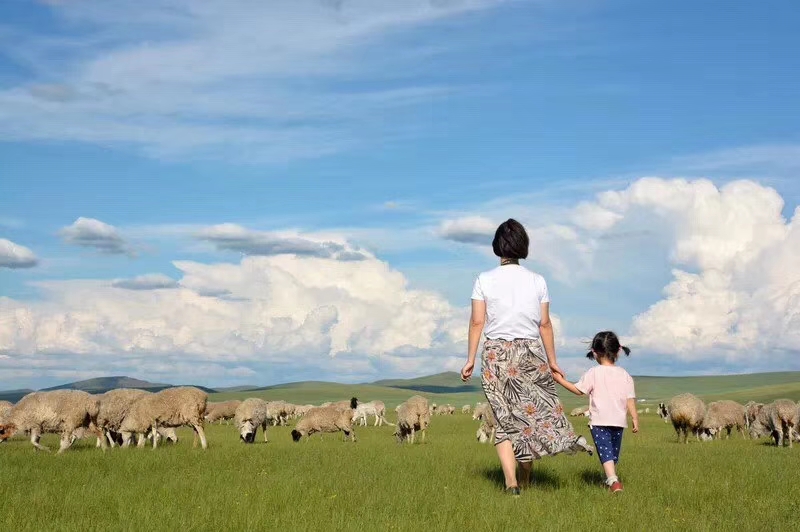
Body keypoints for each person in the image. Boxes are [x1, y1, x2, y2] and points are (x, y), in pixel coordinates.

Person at [460, 218, 592, 497]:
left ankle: (511, 484)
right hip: (531, 353)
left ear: (497, 247)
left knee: (504, 418)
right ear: (523, 246)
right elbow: (544, 324)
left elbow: (476, 322)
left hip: (496, 355)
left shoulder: (484, 279)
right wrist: (553, 360)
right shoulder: (537, 280)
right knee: (531, 416)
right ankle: (527, 477)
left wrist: (470, 358)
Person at [553, 331, 639, 494]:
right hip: (619, 421)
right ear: (618, 351)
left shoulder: (594, 372)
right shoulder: (625, 375)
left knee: (606, 452)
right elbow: (630, 399)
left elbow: (578, 390)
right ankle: (611, 479)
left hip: (599, 421)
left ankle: (613, 482)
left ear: (594, 352)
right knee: (612, 453)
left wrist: (560, 380)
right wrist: (635, 418)